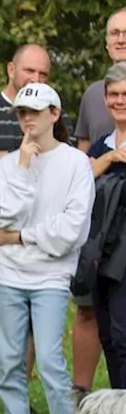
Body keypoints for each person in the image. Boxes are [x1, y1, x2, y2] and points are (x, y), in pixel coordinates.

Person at [0, 83, 94, 414]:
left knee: (50, 359)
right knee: (9, 358)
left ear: (54, 114)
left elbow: (71, 231)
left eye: (36, 111)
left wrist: (20, 238)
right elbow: (3, 215)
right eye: (22, 112)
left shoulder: (75, 164)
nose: (28, 119)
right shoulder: (7, 165)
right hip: (6, 274)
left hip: (50, 275)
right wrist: (21, 166)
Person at [0, 44, 70, 341]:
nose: (36, 79)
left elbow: (61, 169)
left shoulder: (56, 113)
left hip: (39, 232)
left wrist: (8, 158)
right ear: (11, 70)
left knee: (34, 327)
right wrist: (20, 159)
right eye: (29, 71)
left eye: (43, 73)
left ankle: (21, 386)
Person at [86, 63, 126, 388]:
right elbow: (78, 184)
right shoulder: (101, 147)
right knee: (108, 336)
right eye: (114, 94)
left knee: (124, 336)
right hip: (103, 254)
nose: (120, 100)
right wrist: (111, 158)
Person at [76, 9, 126, 152]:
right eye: (115, 33)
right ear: (107, 44)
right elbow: (83, 155)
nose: (121, 40)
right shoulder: (92, 94)